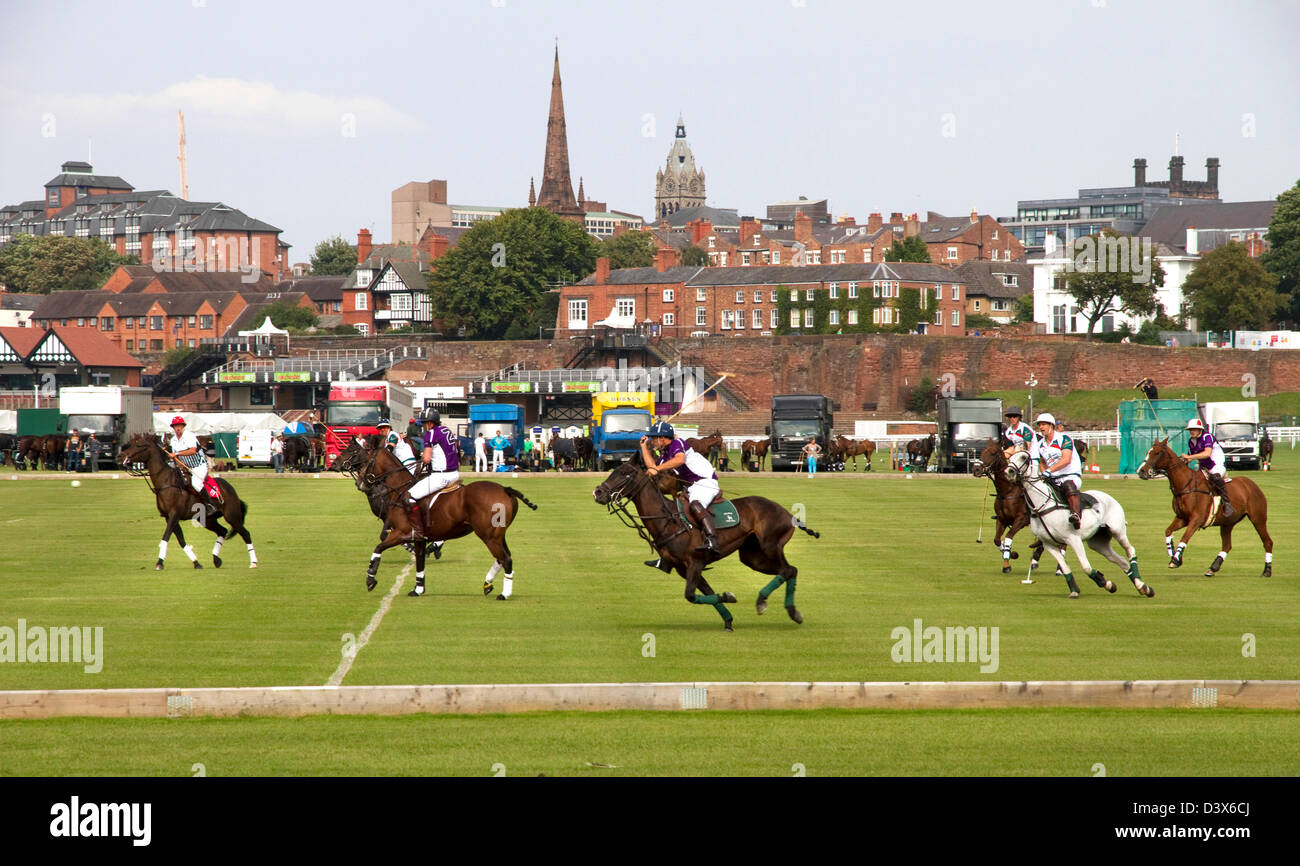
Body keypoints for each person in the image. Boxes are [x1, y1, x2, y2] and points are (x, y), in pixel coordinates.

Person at [640, 421, 721, 560]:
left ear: (663, 438)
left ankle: (712, 540)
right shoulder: (665, 453)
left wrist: (657, 469)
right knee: (673, 512)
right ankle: (670, 555)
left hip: (705, 482)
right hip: (692, 486)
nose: (653, 441)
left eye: (654, 438)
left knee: (695, 504)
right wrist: (643, 448)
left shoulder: (678, 443)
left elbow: (680, 460)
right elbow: (652, 466)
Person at [406, 410, 460, 533]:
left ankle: (417, 530)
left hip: (441, 476)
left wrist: (422, 458)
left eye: (424, 424)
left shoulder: (430, 434)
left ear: (430, 424)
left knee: (409, 496)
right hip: (455, 474)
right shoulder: (446, 430)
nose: (423, 427)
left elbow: (426, 458)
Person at [1030, 412, 1082, 528]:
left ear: (1051, 426)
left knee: (1067, 485)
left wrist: (1050, 470)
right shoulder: (1040, 444)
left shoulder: (1064, 439)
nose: (1041, 427)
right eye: (1040, 425)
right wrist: (1044, 472)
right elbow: (1042, 461)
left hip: (1070, 475)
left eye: (1044, 424)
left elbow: (1066, 459)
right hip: (1053, 477)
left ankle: (1076, 515)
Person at [1182, 418, 1233, 517]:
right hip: (1204, 468)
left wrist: (1189, 457)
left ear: (1200, 429)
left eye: (1194, 429)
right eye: (1190, 430)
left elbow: (1207, 453)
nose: (1192, 431)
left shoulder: (1207, 436)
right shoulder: (1191, 441)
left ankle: (1227, 504)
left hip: (1217, 465)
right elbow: (1189, 458)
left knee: (1215, 478)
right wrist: (1183, 460)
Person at [165, 416, 213, 505]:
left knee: (196, 484)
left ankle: (209, 504)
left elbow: (193, 450)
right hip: (186, 467)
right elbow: (176, 458)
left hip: (199, 465)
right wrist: (179, 465)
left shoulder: (189, 436)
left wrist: (177, 454)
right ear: (173, 428)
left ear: (183, 426)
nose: (178, 428)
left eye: (180, 425)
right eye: (176, 426)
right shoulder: (173, 440)